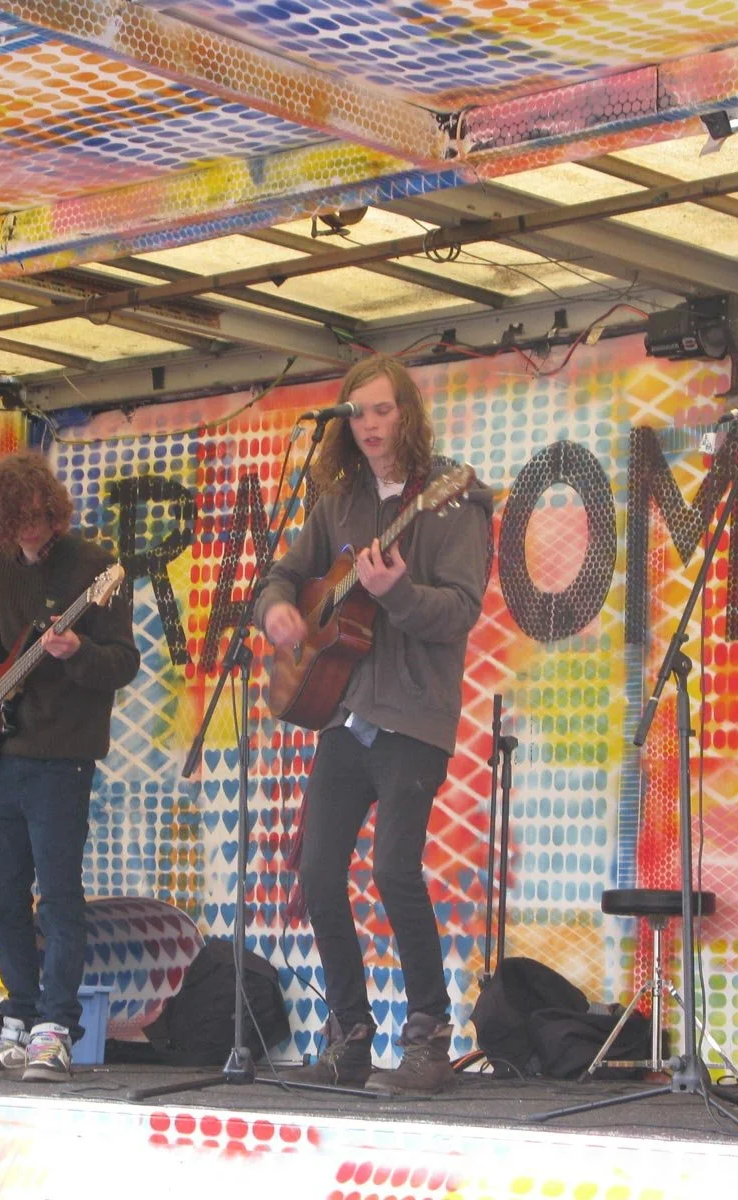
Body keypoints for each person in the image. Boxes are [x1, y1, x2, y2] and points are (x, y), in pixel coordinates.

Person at [255, 355, 493, 1094]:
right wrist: (278, 613)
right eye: (356, 413)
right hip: (344, 712)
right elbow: (283, 573)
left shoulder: (454, 499)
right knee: (317, 871)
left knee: (393, 869)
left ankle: (428, 1034)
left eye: (382, 411)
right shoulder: (338, 501)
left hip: (414, 715)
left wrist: (394, 593)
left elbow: (458, 610)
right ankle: (351, 1034)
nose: (368, 426)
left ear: (408, 414)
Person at [0, 451, 139, 1082]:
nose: (29, 531)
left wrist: (77, 648)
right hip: (8, 754)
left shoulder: (97, 568)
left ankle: (56, 1029)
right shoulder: (3, 567)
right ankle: (18, 1022)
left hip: (64, 758)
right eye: (16, 522)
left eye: (36, 518)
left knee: (57, 898)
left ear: (52, 511)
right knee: (3, 899)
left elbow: (124, 663)